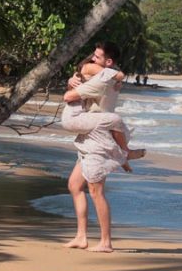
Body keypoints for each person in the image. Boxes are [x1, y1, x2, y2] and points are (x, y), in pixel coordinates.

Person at [61, 42, 144, 253]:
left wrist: (78, 80)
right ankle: (81, 236)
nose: (92, 59)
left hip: (98, 137)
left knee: (96, 191)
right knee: (74, 185)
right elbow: (85, 77)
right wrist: (73, 81)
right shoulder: (103, 76)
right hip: (90, 133)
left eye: (97, 57)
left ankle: (105, 242)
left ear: (108, 62)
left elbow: (76, 89)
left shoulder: (103, 79)